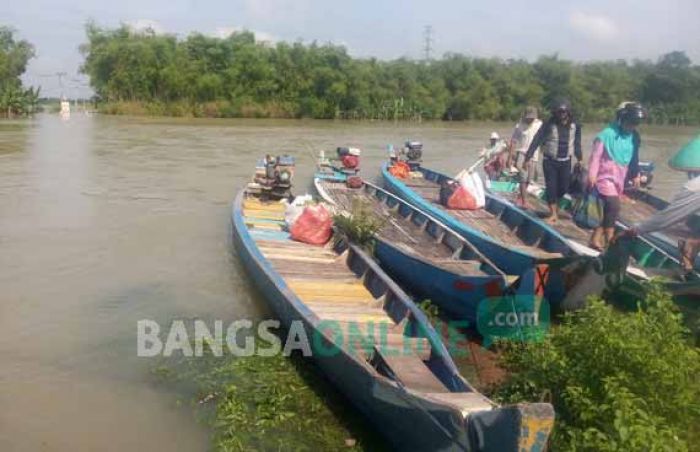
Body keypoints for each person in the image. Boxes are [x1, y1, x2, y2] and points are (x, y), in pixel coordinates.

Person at [628, 136, 700, 278]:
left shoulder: (695, 186)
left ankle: (692, 246)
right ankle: (692, 247)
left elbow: (666, 218)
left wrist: (636, 229)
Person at [587, 102, 645, 250]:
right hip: (604, 176)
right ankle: (609, 241)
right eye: (630, 122)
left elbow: (634, 158)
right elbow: (595, 157)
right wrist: (591, 175)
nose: (632, 126)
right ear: (621, 119)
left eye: (635, 123)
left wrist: (636, 174)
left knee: (608, 209)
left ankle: (594, 239)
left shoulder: (634, 137)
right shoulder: (606, 135)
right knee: (614, 206)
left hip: (620, 176)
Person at [524, 99, 582, 223]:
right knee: (551, 187)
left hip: (566, 161)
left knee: (563, 188)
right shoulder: (548, 124)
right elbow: (537, 140)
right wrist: (527, 157)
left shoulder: (575, 125)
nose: (562, 114)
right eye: (559, 112)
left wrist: (580, 158)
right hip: (550, 161)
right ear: (555, 112)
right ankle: (553, 213)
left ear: (568, 112)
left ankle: (555, 206)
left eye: (564, 112)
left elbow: (577, 143)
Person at [510, 106, 543, 207]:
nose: (530, 119)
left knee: (529, 179)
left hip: (534, 155)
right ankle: (524, 201)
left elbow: (544, 139)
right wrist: (510, 157)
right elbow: (513, 141)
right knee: (523, 177)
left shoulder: (540, 125)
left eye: (532, 118)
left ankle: (521, 197)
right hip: (522, 153)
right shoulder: (519, 126)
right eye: (528, 117)